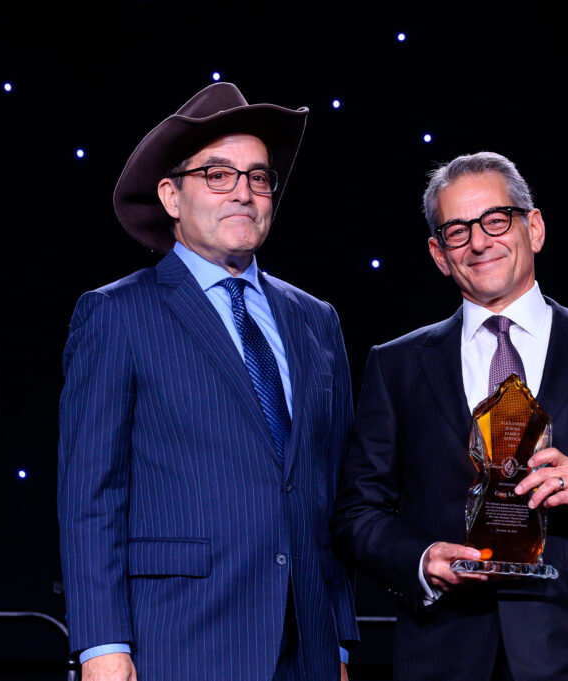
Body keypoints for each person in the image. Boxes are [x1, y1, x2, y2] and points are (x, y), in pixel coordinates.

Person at [332, 151, 568, 681]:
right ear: (438, 253)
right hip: (443, 651)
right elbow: (358, 512)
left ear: (533, 228)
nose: (479, 241)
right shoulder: (395, 364)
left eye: (496, 219)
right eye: (457, 230)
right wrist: (421, 559)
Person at [57, 83, 358, 681]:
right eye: (218, 175)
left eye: (258, 177)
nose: (244, 192)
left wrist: (341, 641)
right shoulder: (117, 313)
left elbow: (331, 493)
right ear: (171, 194)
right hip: (179, 639)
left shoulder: (316, 320)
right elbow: (91, 498)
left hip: (310, 650)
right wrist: (102, 648)